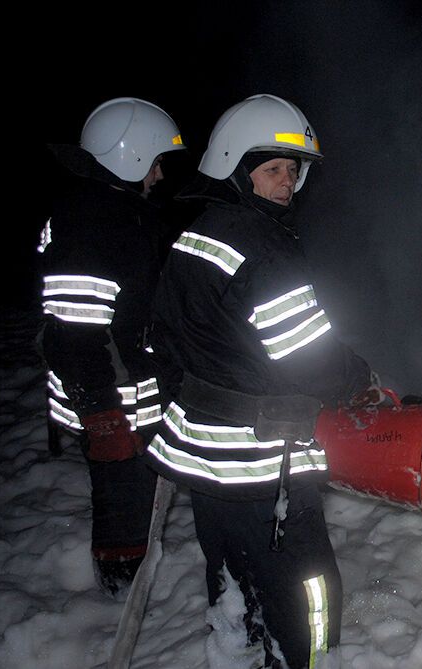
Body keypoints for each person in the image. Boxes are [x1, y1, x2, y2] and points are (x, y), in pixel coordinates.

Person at [145, 94, 371, 669]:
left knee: (232, 567)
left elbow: (161, 340)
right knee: (308, 585)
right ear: (233, 166)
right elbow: (309, 358)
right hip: (265, 462)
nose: (287, 182)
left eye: (294, 171)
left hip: (200, 455)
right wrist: (357, 374)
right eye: (273, 168)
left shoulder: (193, 236)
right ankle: (311, 660)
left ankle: (235, 647)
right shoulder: (265, 247)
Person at [39, 97, 186, 596]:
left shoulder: (118, 210)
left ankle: (138, 579)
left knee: (138, 496)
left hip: (127, 391)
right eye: (158, 161)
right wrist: (102, 416)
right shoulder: (90, 223)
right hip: (111, 403)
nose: (162, 174)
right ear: (132, 155)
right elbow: (75, 332)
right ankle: (120, 592)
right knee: (124, 504)